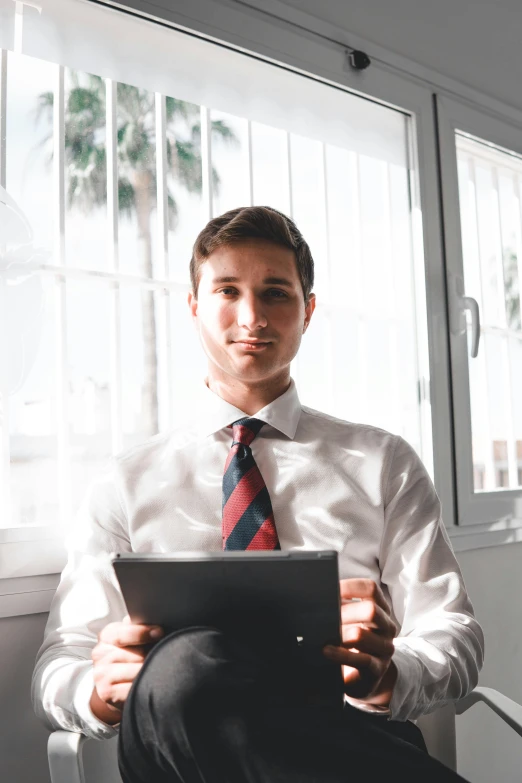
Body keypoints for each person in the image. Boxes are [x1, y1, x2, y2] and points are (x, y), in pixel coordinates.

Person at [32, 206, 484, 782]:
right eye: (227, 291)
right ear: (194, 306)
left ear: (308, 310)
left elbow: (455, 631)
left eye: (275, 293)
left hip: (348, 734)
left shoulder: (382, 463)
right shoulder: (126, 482)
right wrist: (96, 691)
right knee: (183, 666)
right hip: (181, 732)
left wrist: (391, 674)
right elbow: (57, 664)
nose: (252, 317)